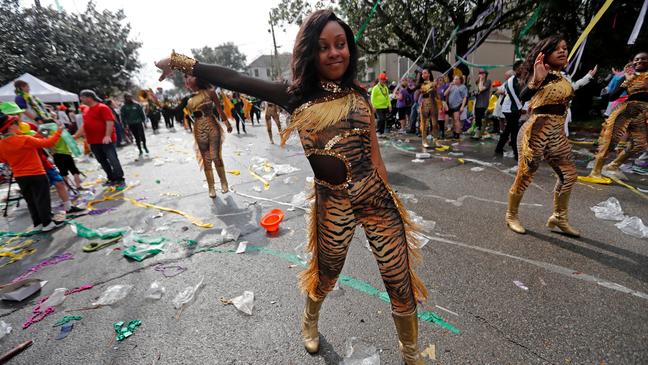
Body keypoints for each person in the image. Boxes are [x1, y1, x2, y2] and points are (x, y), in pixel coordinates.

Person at [156, 10, 428, 364]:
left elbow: (375, 153)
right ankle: (309, 320)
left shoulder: (360, 96)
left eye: (341, 45)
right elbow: (236, 78)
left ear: (350, 48)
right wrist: (181, 62)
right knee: (326, 277)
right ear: (310, 55)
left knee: (400, 283)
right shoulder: (297, 96)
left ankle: (411, 355)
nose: (335, 53)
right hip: (334, 206)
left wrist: (388, 195)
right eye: (324, 47)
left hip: (376, 200)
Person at [505, 36, 580, 237]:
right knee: (526, 173)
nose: (563, 51)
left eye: (565, 48)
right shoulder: (538, 73)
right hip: (536, 130)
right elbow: (523, 96)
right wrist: (536, 80)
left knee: (570, 175)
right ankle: (511, 215)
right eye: (557, 49)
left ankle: (559, 217)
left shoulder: (564, 78)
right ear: (545, 54)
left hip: (557, 132)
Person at [0, 111, 64, 232]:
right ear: (10, 126)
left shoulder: (2, 144)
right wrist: (59, 130)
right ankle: (47, 223)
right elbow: (49, 143)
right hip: (36, 173)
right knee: (42, 198)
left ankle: (38, 222)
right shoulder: (24, 139)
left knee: (31, 200)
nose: (18, 124)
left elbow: (3, 159)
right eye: (15, 123)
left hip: (20, 176)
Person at [589, 51, 647, 179]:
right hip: (627, 110)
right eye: (636, 60)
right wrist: (626, 81)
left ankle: (614, 165)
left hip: (643, 113)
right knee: (610, 140)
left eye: (643, 59)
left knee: (640, 144)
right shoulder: (628, 77)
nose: (638, 62)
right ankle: (596, 171)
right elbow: (612, 96)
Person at [179, 76, 233, 198]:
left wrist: (227, 123)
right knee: (206, 159)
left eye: (190, 78)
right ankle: (211, 187)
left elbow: (219, 109)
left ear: (197, 78)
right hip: (198, 128)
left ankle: (224, 182)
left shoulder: (210, 92)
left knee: (215, 155)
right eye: (186, 79)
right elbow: (176, 111)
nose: (187, 80)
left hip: (212, 125)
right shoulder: (189, 98)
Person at [74, 90, 125, 187]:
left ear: (89, 97)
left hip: (106, 140)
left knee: (112, 159)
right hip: (93, 141)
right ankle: (111, 178)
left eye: (82, 97)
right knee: (102, 160)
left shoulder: (102, 107)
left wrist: (107, 135)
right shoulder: (86, 110)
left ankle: (119, 178)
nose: (81, 99)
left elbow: (109, 122)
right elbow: (85, 125)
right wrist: (76, 135)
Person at [495, 62, 524, 161]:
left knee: (508, 129)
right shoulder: (511, 81)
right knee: (514, 131)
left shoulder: (520, 80)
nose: (523, 69)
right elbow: (513, 96)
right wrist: (520, 107)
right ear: (516, 69)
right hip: (509, 109)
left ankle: (499, 148)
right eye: (521, 67)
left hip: (514, 108)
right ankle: (517, 154)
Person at [120, 94, 149, 158]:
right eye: (127, 97)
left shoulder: (137, 105)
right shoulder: (124, 107)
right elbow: (123, 117)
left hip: (139, 123)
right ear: (125, 98)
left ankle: (144, 146)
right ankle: (140, 150)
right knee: (136, 137)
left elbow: (142, 113)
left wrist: (144, 122)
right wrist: (125, 125)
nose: (129, 98)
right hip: (131, 124)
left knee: (142, 136)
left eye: (130, 97)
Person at [417, 68, 438, 148]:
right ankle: (424, 140)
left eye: (425, 73)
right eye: (422, 73)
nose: (423, 75)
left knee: (435, 123)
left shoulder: (433, 83)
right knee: (424, 123)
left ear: (429, 74)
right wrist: (431, 84)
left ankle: (436, 139)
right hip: (425, 103)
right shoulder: (421, 84)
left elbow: (436, 94)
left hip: (433, 103)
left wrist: (435, 86)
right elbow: (424, 89)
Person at [444, 75, 468, 139]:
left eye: (457, 79)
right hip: (451, 105)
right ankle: (454, 132)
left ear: (460, 80)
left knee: (456, 119)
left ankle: (457, 134)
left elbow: (465, 97)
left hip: (458, 105)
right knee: (453, 120)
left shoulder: (463, 87)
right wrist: (449, 87)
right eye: (454, 79)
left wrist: (462, 106)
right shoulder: (452, 86)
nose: (455, 80)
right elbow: (445, 94)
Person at [472, 69, 492, 139]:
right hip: (477, 101)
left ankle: (479, 132)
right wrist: (474, 93)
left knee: (480, 117)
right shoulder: (477, 82)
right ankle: (478, 131)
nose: (481, 75)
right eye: (480, 73)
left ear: (486, 74)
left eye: (483, 73)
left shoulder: (488, 81)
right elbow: (477, 90)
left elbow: (481, 89)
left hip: (483, 102)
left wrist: (481, 80)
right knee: (477, 117)